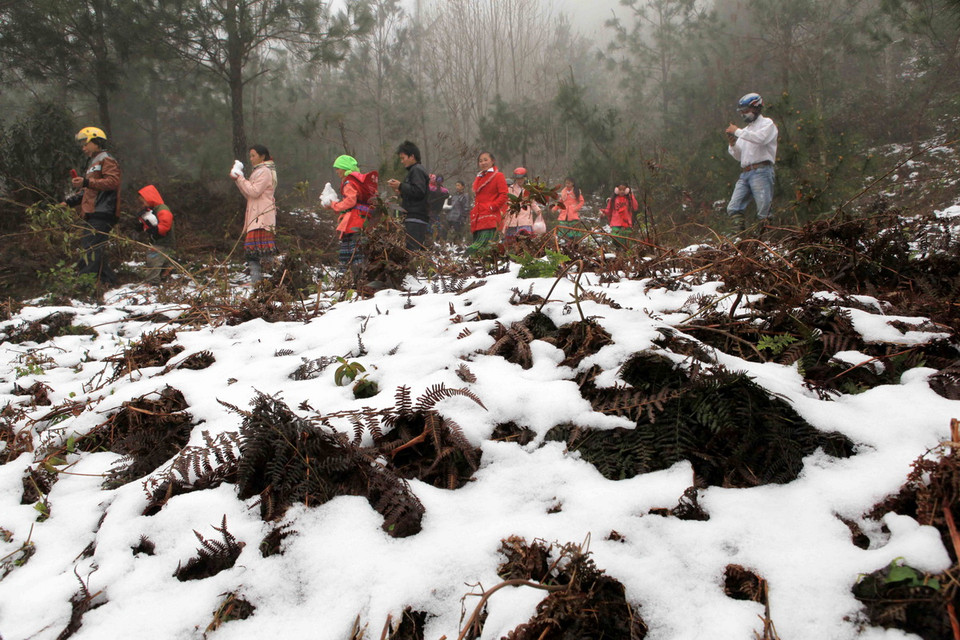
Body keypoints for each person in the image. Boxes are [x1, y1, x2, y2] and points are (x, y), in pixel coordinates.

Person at [62, 126, 121, 286]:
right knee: (94, 248)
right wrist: (68, 202)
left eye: (85, 143)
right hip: (93, 211)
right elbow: (89, 190)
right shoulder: (93, 162)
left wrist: (86, 181)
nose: (83, 148)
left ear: (96, 141)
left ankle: (85, 285)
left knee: (90, 249)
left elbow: (112, 182)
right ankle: (109, 281)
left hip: (102, 211)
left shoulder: (106, 159)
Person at [725, 92, 778, 233]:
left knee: (764, 212)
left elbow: (760, 139)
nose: (743, 114)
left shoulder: (767, 124)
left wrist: (737, 131)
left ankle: (767, 244)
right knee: (734, 207)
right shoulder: (746, 130)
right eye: (741, 112)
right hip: (746, 173)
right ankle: (740, 239)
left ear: (756, 108)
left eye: (746, 111)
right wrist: (733, 145)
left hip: (762, 170)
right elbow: (739, 156)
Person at [231, 144, 277, 284]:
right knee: (254, 254)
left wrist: (241, 179)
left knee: (263, 254)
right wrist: (239, 181)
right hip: (255, 217)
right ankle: (257, 281)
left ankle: (268, 282)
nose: (250, 159)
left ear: (262, 156)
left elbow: (254, 191)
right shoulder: (258, 171)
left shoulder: (264, 171)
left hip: (262, 218)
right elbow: (249, 194)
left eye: (253, 156)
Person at [325, 154, 377, 268]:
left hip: (353, 222)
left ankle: (349, 276)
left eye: (338, 168)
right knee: (359, 251)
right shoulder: (358, 181)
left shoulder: (349, 183)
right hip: (364, 220)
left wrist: (334, 205)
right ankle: (360, 276)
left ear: (344, 168)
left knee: (349, 251)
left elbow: (350, 201)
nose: (337, 171)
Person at [386, 140, 430, 251]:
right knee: (413, 252)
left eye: (403, 158)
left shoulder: (417, 170)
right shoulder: (414, 170)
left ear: (412, 156)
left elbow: (419, 191)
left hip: (416, 218)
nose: (402, 162)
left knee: (412, 252)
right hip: (414, 217)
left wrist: (401, 185)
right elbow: (416, 192)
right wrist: (402, 191)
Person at [467, 151, 508, 255]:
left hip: (491, 216)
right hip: (478, 216)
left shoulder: (498, 176)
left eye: (486, 160)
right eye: (480, 161)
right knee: (479, 246)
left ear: (492, 161)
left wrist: (492, 206)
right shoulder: (479, 177)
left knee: (483, 247)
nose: (483, 163)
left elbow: (504, 195)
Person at [136, 185, 175, 284]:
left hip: (162, 241)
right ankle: (167, 273)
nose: (143, 205)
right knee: (162, 259)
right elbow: (152, 223)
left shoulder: (162, 208)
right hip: (161, 241)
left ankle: (152, 282)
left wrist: (156, 230)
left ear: (150, 198)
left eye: (144, 201)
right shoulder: (153, 210)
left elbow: (166, 223)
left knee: (153, 260)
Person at [502, 167, 541, 239]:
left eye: (521, 178)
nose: (519, 180)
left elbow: (532, 202)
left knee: (525, 240)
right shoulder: (510, 189)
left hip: (525, 219)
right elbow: (505, 202)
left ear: (524, 178)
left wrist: (538, 211)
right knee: (511, 242)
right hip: (512, 219)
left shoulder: (529, 189)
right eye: (518, 179)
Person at [602, 183, 639, 248]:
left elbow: (635, 207)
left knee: (627, 240)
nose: (622, 191)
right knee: (615, 238)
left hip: (627, 223)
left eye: (624, 190)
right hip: (616, 223)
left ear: (627, 190)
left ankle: (626, 253)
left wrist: (631, 195)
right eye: (620, 189)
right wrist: (603, 212)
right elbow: (608, 210)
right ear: (616, 190)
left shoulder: (629, 199)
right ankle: (618, 250)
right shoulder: (612, 200)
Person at [427, 173, 449, 240]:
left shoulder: (430, 189)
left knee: (430, 228)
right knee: (436, 227)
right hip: (437, 212)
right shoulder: (445, 191)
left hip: (429, 211)